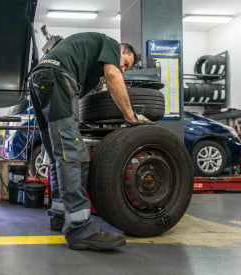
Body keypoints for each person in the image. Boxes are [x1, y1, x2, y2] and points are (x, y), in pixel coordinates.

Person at [27, 32, 154, 250]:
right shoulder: (111, 45)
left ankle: (59, 214)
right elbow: (113, 76)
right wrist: (131, 117)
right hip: (56, 77)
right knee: (74, 154)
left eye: (126, 68)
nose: (122, 69)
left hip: (40, 77)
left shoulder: (87, 62)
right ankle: (80, 229)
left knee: (58, 152)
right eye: (124, 63)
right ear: (121, 50)